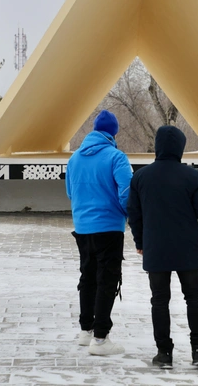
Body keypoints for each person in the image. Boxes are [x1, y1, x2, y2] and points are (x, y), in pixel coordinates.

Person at [127, 125, 198, 369]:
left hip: (156, 247)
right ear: (181, 148)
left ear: (157, 146)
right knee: (194, 298)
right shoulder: (191, 175)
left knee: (159, 300)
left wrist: (140, 242)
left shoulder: (141, 176)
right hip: (187, 247)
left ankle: (164, 353)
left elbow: (134, 214)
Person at [65, 109, 133, 356]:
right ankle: (101, 339)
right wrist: (126, 215)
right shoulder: (117, 157)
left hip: (82, 227)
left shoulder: (74, 159)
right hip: (109, 227)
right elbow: (127, 192)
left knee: (88, 276)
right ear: (113, 133)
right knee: (107, 279)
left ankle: (86, 331)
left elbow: (70, 193)